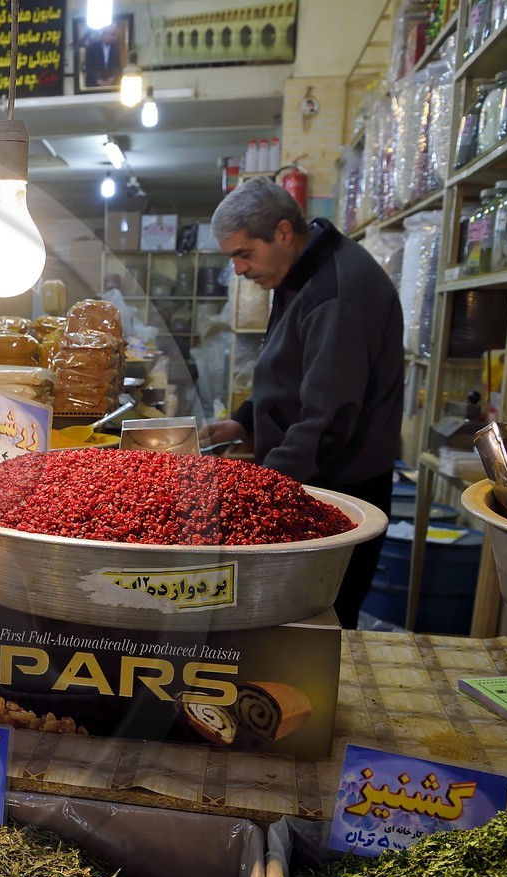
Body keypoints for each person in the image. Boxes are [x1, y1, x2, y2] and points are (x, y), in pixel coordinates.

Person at [201, 177, 403, 629]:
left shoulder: (337, 294)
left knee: (319, 624)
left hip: (338, 491)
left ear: (284, 233)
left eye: (243, 254)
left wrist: (260, 490)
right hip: (312, 480)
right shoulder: (303, 274)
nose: (238, 270)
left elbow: (328, 422)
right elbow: (297, 377)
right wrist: (242, 421)